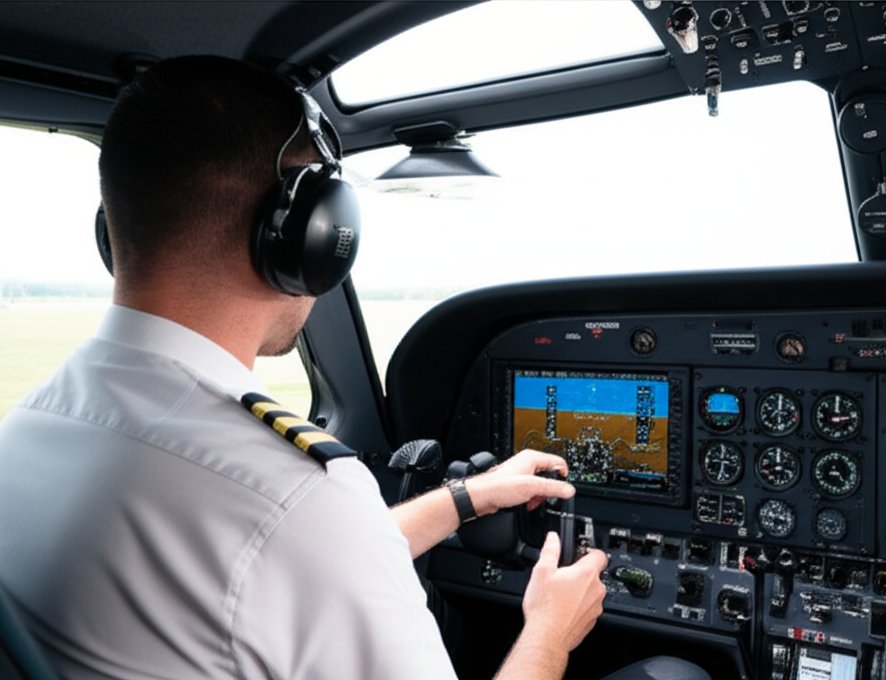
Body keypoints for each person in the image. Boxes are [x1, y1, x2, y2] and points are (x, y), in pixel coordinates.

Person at [0, 55, 610, 680]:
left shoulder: (28, 426)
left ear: (115, 232)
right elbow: (293, 541)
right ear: (309, 236)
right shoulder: (295, 498)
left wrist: (464, 499)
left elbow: (286, 565)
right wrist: (550, 630)